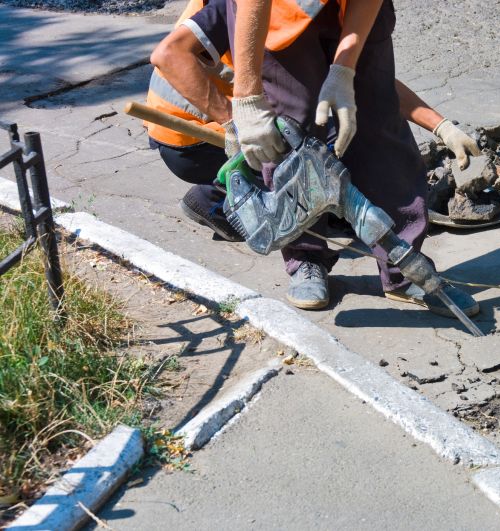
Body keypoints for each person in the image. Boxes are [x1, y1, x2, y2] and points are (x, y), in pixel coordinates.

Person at [148, 0, 480, 316]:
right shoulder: (222, 11)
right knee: (298, 135)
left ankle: (407, 274)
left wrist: (345, 72)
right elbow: (170, 54)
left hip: (325, 17)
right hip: (194, 144)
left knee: (376, 122)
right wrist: (243, 108)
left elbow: (379, 94)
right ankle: (306, 259)